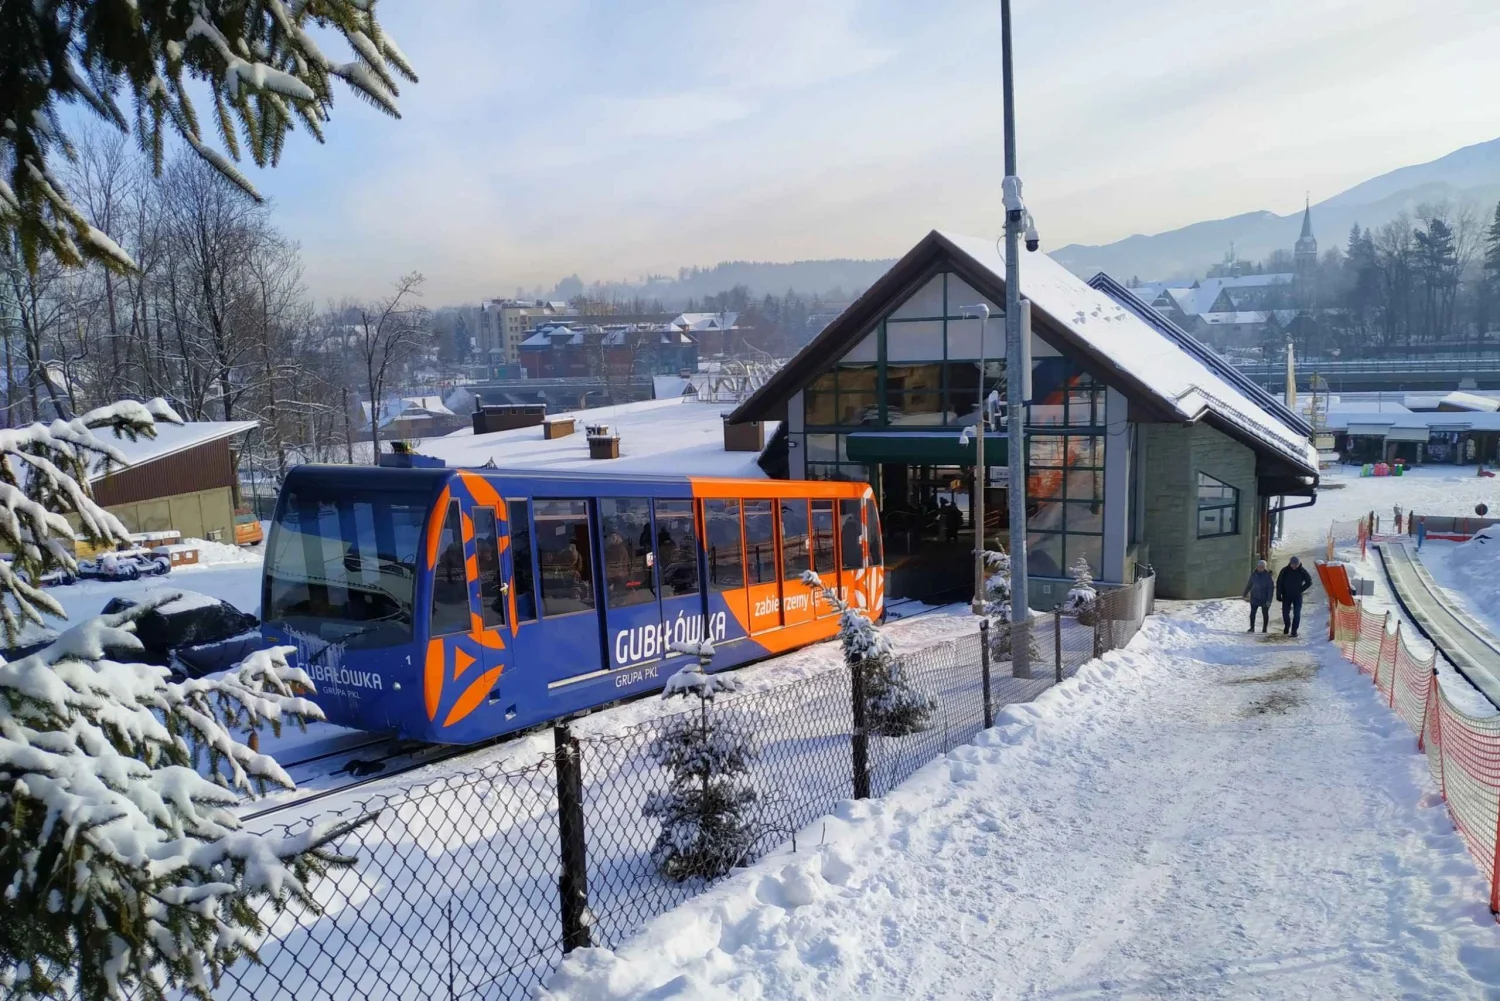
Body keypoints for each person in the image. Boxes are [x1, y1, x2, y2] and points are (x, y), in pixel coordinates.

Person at [1275, 555, 1313, 637]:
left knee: (1297, 613)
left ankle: (1294, 631)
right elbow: (1279, 582)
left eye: (1296, 564)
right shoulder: (1285, 570)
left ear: (1299, 564)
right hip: (1286, 595)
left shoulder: (1302, 571)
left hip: (1297, 596)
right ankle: (1287, 625)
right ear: (1290, 563)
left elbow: (1309, 581)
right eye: (1293, 564)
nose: (1294, 566)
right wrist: (1279, 594)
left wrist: (1301, 589)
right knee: (1285, 613)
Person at [1242, 559, 1274, 633]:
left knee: (1265, 614)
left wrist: (1269, 600)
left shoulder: (1268, 576)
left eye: (1262, 567)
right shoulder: (1254, 574)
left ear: (1265, 567)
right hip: (1255, 597)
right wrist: (1244, 593)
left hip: (1264, 598)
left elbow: (1270, 589)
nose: (1260, 568)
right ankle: (1252, 628)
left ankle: (1264, 629)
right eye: (1259, 566)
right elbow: (1249, 584)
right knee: (1252, 614)